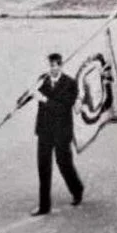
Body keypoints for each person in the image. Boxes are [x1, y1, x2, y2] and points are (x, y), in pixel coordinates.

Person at [28, 53, 85, 215]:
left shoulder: (70, 84)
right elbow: (32, 95)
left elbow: (62, 108)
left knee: (64, 164)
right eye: (50, 65)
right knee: (43, 167)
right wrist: (26, 95)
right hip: (44, 131)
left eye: (55, 65)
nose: (52, 68)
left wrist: (42, 98)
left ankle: (77, 189)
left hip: (61, 131)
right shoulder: (43, 79)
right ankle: (44, 206)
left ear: (61, 65)